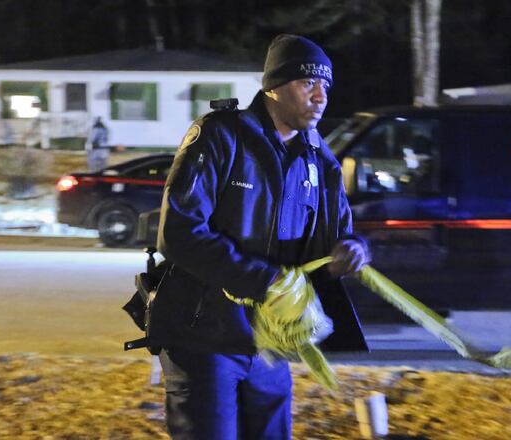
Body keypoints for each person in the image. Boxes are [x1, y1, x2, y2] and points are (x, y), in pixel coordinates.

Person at [151, 34, 371, 440]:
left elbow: (338, 234)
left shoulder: (319, 159)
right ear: (274, 86)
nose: (321, 96)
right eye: (309, 83)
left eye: (327, 86)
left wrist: (353, 249)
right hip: (203, 336)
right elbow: (178, 233)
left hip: (270, 345)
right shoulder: (220, 135)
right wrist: (263, 279)